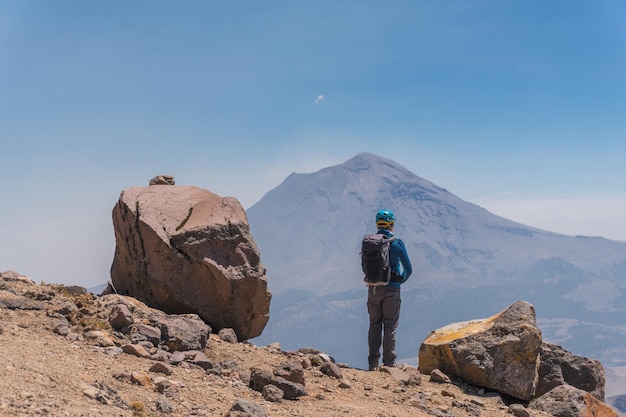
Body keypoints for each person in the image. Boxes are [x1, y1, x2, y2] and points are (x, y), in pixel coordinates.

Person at [366, 209, 412, 371]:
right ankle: (389, 364)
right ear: (392, 225)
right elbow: (408, 269)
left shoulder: (370, 243)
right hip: (392, 289)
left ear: (377, 225)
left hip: (373, 289)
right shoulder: (396, 243)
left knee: (374, 324)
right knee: (390, 325)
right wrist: (401, 280)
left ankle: (372, 364)